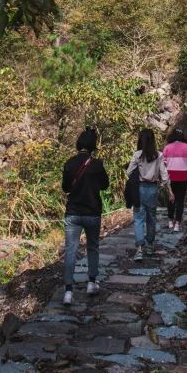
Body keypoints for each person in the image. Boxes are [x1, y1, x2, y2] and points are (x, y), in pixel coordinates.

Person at [62, 127, 109, 303]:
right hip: (92, 212)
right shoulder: (97, 165)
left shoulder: (69, 163)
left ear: (79, 144)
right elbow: (105, 185)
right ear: (93, 146)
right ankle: (91, 282)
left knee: (71, 250)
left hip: (73, 212)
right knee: (93, 247)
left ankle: (68, 291)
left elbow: (66, 188)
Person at [126, 128, 173, 262]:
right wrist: (170, 190)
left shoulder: (137, 155)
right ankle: (150, 245)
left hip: (139, 189)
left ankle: (139, 249)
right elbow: (164, 174)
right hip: (152, 189)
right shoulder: (159, 155)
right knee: (151, 218)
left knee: (139, 218)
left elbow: (129, 172)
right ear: (153, 140)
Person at [162, 127, 187, 231]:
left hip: (170, 177)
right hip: (183, 177)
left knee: (171, 198)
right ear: (182, 136)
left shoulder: (167, 148)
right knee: (180, 200)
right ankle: (177, 224)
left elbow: (163, 163)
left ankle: (170, 221)